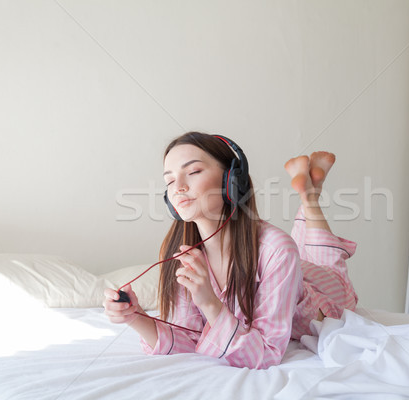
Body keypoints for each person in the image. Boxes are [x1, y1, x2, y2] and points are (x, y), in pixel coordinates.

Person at [103, 132, 358, 369]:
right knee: (299, 248)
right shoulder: (181, 255)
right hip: (286, 267)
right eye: (169, 180)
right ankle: (310, 189)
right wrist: (134, 317)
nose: (177, 187)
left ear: (231, 180)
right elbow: (189, 339)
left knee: (325, 259)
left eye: (192, 171)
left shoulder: (276, 249)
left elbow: (267, 353)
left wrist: (210, 304)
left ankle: (309, 197)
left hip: (321, 292)